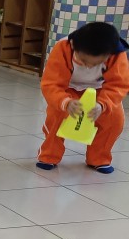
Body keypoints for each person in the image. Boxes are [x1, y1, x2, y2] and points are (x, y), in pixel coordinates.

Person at [37, 21, 129, 174]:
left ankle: (98, 158)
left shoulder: (116, 54)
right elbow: (51, 84)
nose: (88, 66)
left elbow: (118, 85)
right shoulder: (63, 47)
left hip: (100, 91)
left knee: (114, 119)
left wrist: (102, 105)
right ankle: (49, 155)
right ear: (74, 45)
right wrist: (65, 102)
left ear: (108, 54)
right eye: (84, 61)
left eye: (96, 63)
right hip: (68, 88)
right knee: (56, 116)